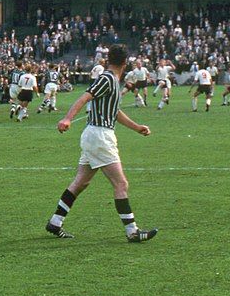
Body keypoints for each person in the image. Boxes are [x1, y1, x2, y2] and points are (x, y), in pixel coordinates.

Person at [46, 44, 158, 243]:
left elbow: (114, 112)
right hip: (100, 136)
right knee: (121, 183)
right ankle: (132, 231)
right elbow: (84, 97)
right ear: (126, 63)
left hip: (96, 135)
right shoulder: (107, 78)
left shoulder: (113, 80)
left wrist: (136, 127)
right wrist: (67, 118)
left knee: (81, 182)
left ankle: (55, 222)